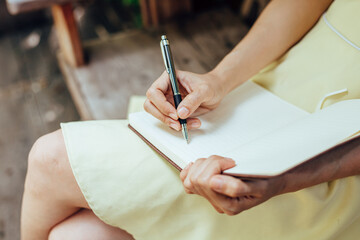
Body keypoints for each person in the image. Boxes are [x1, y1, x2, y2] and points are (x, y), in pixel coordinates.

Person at [21, 0, 360, 239]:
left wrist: (285, 178)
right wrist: (219, 79)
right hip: (270, 87)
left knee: (50, 159)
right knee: (75, 236)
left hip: (334, 160)